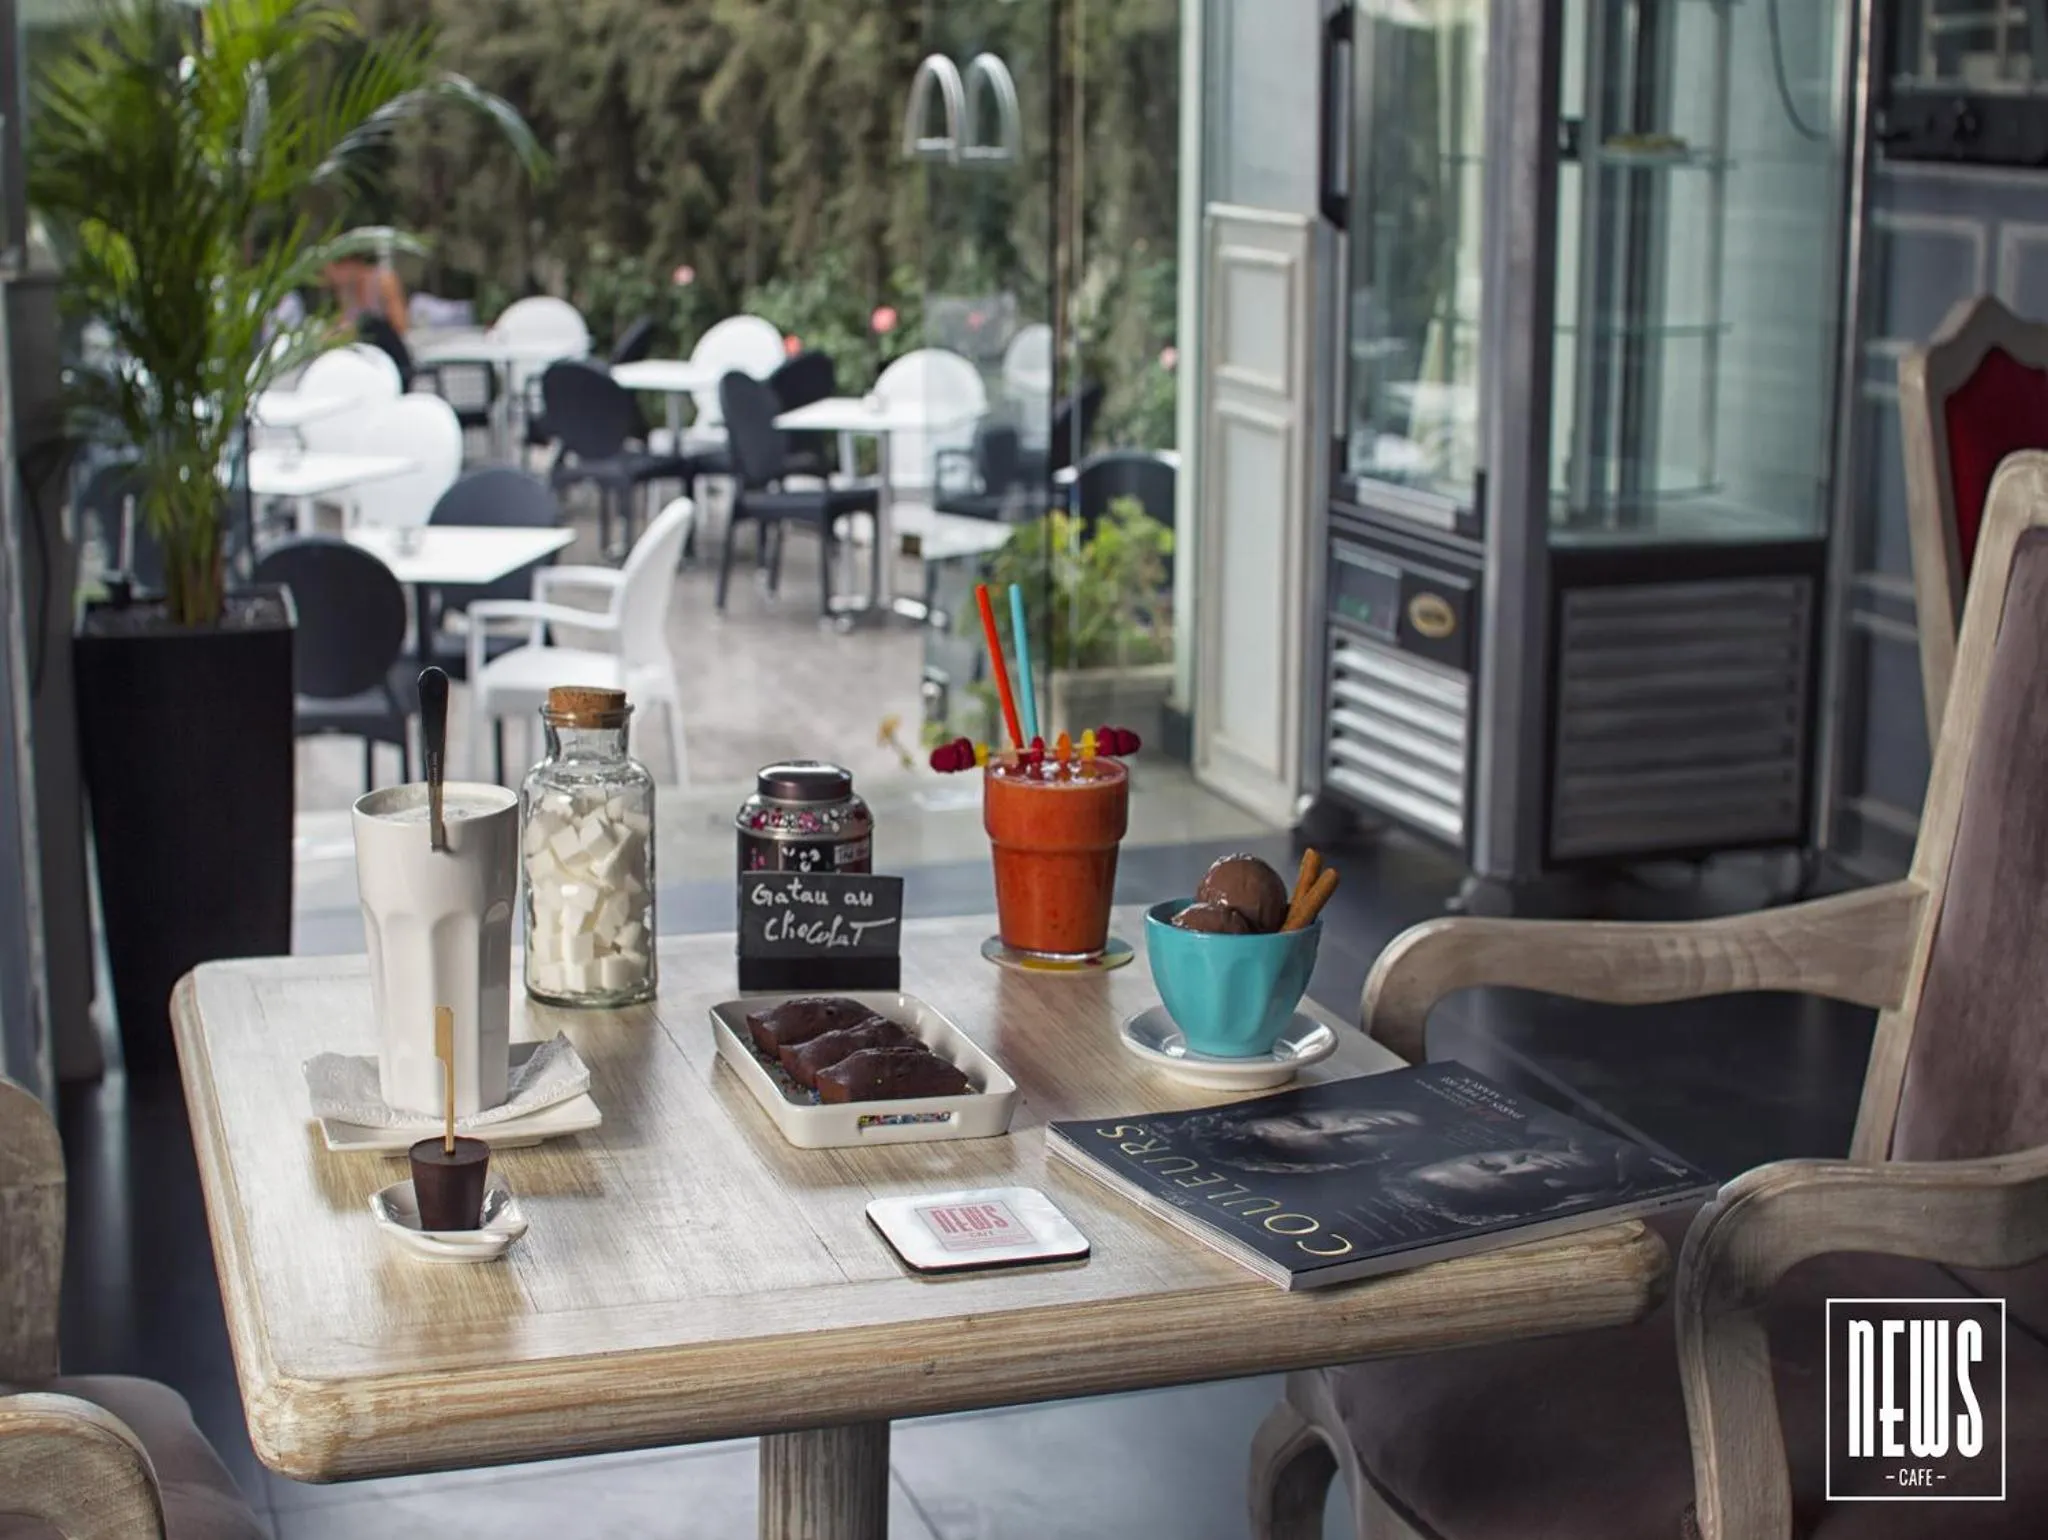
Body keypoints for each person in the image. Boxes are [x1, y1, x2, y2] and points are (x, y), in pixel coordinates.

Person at [324, 253, 408, 339]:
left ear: (349, 263)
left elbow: (400, 326)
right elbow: (342, 323)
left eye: (333, 269)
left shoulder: (383, 281)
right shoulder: (344, 290)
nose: (329, 276)